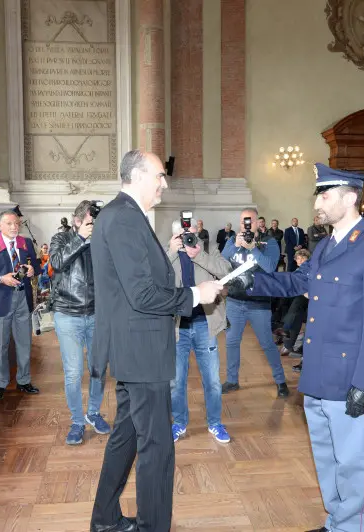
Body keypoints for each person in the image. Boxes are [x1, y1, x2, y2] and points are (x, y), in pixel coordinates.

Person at [244, 163, 364, 532]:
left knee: (351, 461)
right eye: (318, 193)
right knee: (327, 456)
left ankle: (351, 527)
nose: (318, 201)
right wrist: (249, 283)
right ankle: (336, 522)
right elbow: (298, 282)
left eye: (325, 194)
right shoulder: (327, 245)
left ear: (350, 198)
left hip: (348, 375)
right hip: (317, 369)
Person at [89, 150, 223, 532]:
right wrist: (196, 295)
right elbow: (142, 295)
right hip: (141, 349)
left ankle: (104, 520)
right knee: (158, 448)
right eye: (160, 176)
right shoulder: (124, 218)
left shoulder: (124, 215)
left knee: (126, 437)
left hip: (135, 348)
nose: (165, 183)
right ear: (137, 176)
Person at [49, 200, 110, 445]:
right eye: (89, 222)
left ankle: (93, 413)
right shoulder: (61, 239)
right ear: (77, 221)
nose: (94, 226)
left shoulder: (100, 240)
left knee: (98, 368)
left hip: (96, 314)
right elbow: (56, 263)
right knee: (74, 373)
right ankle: (77, 421)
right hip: (67, 314)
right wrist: (81, 239)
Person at [167, 218, 232, 444]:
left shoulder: (209, 248)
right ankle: (179, 423)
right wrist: (171, 252)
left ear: (198, 231)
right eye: (183, 235)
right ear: (175, 236)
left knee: (213, 380)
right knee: (175, 381)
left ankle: (215, 423)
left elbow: (226, 272)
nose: (188, 239)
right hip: (177, 328)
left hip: (205, 323)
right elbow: (154, 279)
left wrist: (200, 255)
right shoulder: (169, 253)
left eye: (191, 233)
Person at [221, 207, 289, 397]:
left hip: (259, 303)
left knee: (267, 343)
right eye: (243, 221)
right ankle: (232, 380)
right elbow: (222, 263)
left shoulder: (269, 242)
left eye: (250, 220)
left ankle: (280, 381)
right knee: (232, 342)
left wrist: (253, 249)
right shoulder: (233, 240)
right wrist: (235, 244)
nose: (246, 224)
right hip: (235, 301)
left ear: (258, 221)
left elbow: (269, 267)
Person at [0, 210, 41, 401]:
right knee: (1, 346)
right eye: (9, 224)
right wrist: (1, 279)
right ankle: (0, 383)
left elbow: (37, 265)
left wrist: (32, 270)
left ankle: (24, 380)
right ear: (0, 226)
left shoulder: (25, 243)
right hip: (1, 302)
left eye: (17, 223)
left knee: (24, 343)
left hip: (23, 299)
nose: (14, 227)